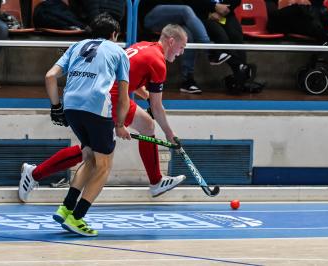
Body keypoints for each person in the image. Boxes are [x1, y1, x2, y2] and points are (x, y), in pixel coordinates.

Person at [19, 24, 187, 204]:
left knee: (146, 125)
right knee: (90, 152)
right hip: (109, 99)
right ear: (171, 41)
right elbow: (157, 106)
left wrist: (144, 94)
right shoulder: (159, 62)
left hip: (103, 93)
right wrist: (170, 135)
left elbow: (128, 75)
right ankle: (35, 174)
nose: (182, 52)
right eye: (182, 47)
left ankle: (156, 181)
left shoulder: (143, 46)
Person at [25, 13, 131, 237]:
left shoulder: (75, 46)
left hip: (71, 105)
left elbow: (50, 76)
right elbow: (123, 97)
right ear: (114, 35)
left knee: (89, 156)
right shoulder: (119, 52)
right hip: (96, 107)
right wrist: (120, 124)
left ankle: (66, 207)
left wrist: (56, 107)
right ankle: (78, 217)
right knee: (104, 166)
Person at [140, 1, 231, 94]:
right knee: (185, 10)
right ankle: (210, 50)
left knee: (188, 35)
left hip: (175, 17)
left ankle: (187, 80)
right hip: (151, 15)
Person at [187, 0, 265, 95]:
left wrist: (225, 8)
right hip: (202, 14)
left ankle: (240, 79)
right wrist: (213, 8)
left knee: (235, 34)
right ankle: (239, 69)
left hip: (225, 12)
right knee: (221, 35)